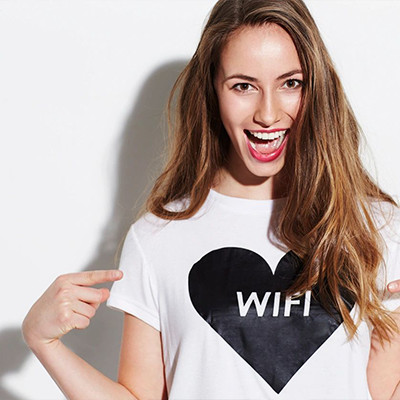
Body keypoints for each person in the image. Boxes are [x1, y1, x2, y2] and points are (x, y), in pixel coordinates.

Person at [21, 0, 400, 399]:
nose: (268, 114)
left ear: (316, 89)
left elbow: (379, 393)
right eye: (243, 86)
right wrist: (43, 343)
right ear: (213, 92)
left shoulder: (375, 227)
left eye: (291, 83)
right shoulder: (159, 237)